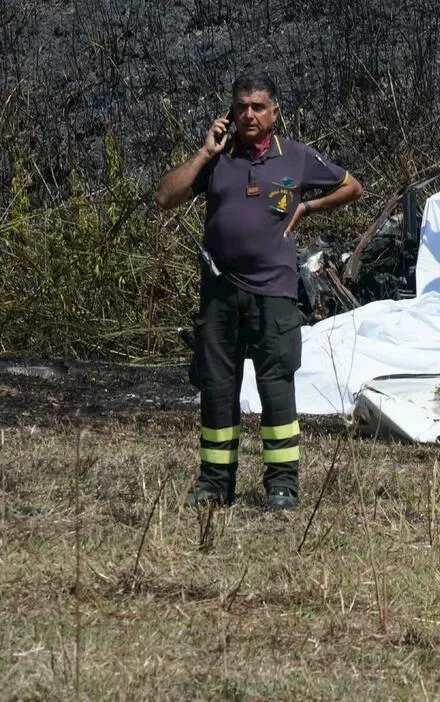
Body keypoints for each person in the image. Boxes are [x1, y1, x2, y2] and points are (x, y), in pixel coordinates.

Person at [155, 71, 363, 510]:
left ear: (275, 112)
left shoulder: (297, 157)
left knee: (276, 386)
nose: (249, 114)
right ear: (230, 112)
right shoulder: (217, 158)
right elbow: (165, 197)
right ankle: (214, 483)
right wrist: (203, 152)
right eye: (241, 106)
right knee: (217, 386)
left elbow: (351, 186)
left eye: (258, 106)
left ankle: (282, 485)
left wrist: (308, 205)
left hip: (274, 292)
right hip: (219, 293)